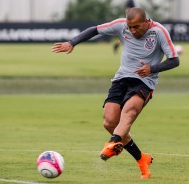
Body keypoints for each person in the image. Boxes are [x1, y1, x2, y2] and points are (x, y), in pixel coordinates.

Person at [51, 7, 180, 179]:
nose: (132, 31)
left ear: (145, 22)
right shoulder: (121, 25)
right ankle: (142, 159)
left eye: (136, 27)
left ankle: (112, 144)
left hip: (144, 81)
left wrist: (152, 69)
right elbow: (94, 30)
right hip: (121, 79)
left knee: (130, 110)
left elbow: (174, 60)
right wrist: (72, 42)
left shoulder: (159, 31)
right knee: (110, 122)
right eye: (130, 27)